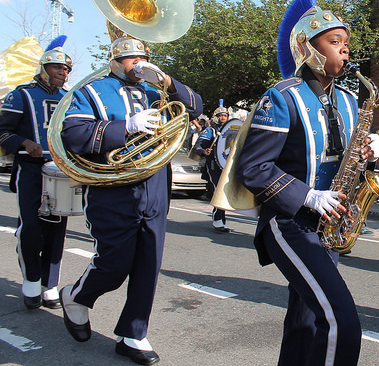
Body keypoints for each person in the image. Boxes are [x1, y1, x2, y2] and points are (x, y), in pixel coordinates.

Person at [234, 0, 379, 365]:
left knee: (304, 324)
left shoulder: (350, 100)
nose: (345, 49)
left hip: (329, 223)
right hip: (290, 222)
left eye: (346, 43)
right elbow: (255, 168)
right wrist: (307, 197)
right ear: (308, 48)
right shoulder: (281, 97)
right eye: (335, 42)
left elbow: (346, 161)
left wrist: (368, 153)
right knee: (341, 321)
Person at [58, 35, 202, 364]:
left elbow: (196, 106)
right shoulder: (92, 90)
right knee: (115, 262)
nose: (138, 65)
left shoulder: (157, 90)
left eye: (142, 59)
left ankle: (133, 333)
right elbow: (73, 134)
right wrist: (125, 127)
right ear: (116, 61)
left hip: (154, 185)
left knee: (148, 262)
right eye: (131, 60)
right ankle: (77, 295)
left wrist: (166, 80)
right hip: (113, 189)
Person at [0, 36, 72, 310]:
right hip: (30, 170)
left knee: (57, 230)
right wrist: (24, 142)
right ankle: (31, 280)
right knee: (30, 227)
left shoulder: (69, 98)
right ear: (43, 67)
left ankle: (49, 284)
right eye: (56, 67)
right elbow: (3, 131)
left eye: (65, 69)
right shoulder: (21, 94)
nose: (62, 73)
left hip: (59, 173)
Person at [194, 101, 231, 232]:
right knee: (218, 191)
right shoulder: (210, 131)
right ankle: (218, 220)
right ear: (215, 117)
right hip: (213, 165)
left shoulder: (231, 130)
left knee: (225, 192)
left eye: (225, 116)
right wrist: (204, 151)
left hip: (226, 167)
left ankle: (221, 220)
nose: (222, 118)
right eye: (220, 115)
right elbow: (198, 146)